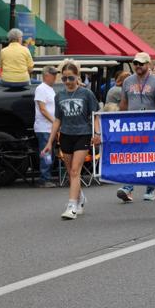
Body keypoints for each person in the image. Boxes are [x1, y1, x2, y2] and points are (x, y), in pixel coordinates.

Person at [41, 61, 101, 219]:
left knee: (75, 170)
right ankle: (80, 198)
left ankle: (71, 206)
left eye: (71, 78)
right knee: (70, 172)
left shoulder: (86, 94)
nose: (67, 82)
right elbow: (57, 120)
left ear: (77, 77)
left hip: (83, 134)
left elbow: (95, 115)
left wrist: (97, 133)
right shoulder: (59, 95)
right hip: (66, 135)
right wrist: (49, 142)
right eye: (64, 78)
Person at [117, 52, 155, 202]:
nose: (138, 66)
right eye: (136, 63)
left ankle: (151, 189)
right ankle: (128, 188)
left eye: (141, 63)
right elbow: (123, 104)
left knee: (149, 157)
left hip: (150, 126)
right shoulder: (127, 81)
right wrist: (120, 121)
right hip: (132, 126)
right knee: (131, 157)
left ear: (148, 64)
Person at [34, 66, 59, 188]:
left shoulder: (49, 89)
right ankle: (44, 178)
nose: (55, 77)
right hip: (44, 127)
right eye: (53, 75)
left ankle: (46, 176)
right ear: (46, 76)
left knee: (50, 153)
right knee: (47, 153)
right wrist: (55, 121)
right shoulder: (41, 89)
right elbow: (42, 109)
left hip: (50, 127)